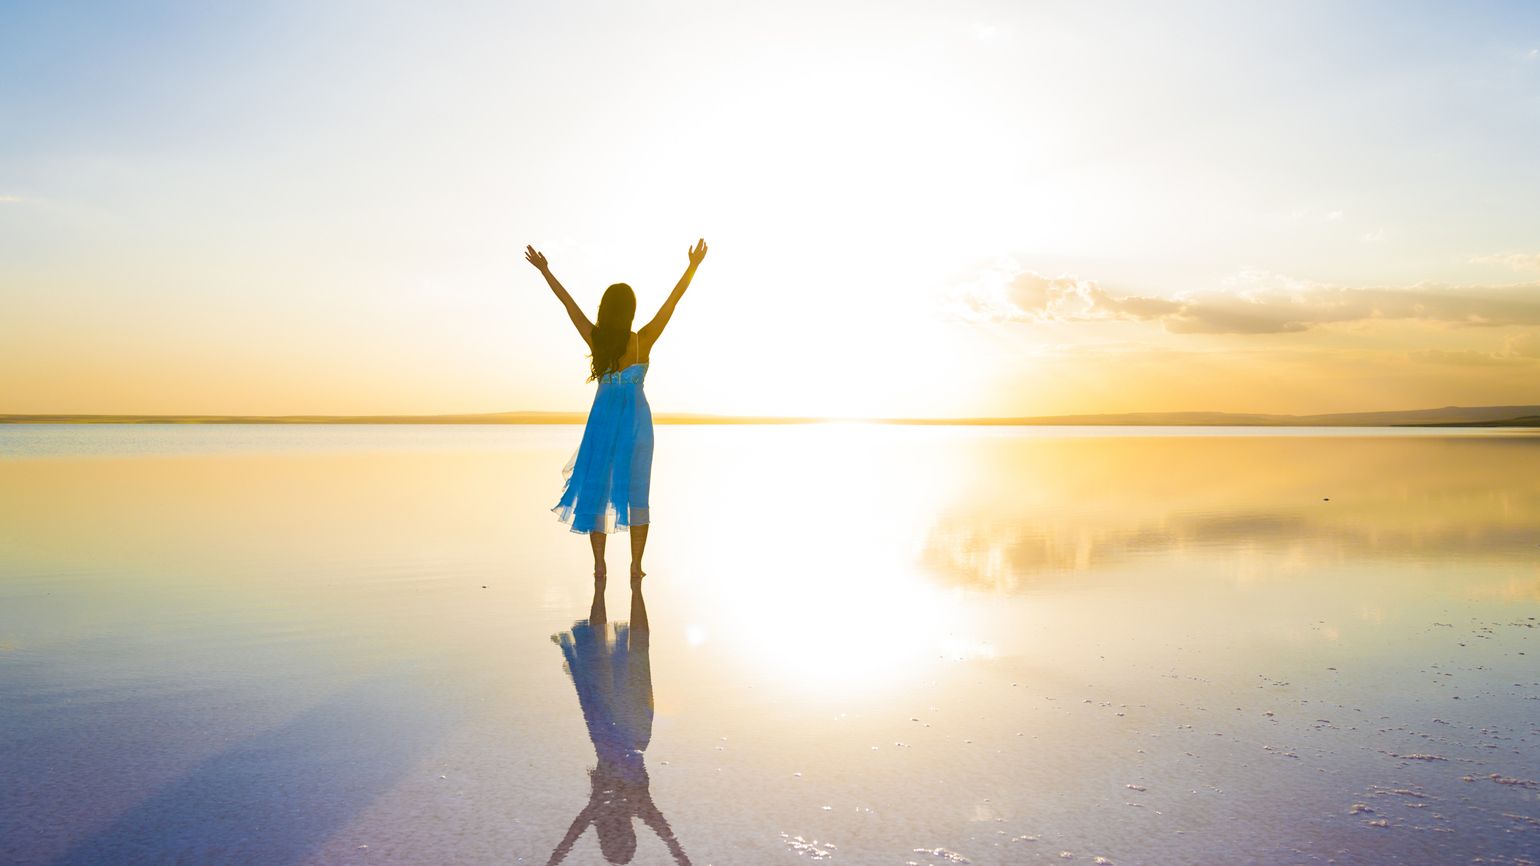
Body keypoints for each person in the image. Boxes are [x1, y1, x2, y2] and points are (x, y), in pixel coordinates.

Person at [525, 240, 708, 581]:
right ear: (631, 311)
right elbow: (672, 303)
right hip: (637, 424)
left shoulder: (596, 339)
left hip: (603, 423)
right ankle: (636, 566)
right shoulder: (643, 339)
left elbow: (568, 304)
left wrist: (546, 271)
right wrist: (692, 267)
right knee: (639, 491)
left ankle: (599, 565)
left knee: (596, 490)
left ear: (605, 310)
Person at [546, 580, 691, 865]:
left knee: (619, 664)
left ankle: (624, 596)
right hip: (616, 730)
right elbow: (670, 840)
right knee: (614, 666)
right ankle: (627, 594)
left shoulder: (611, 804)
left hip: (625, 731)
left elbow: (669, 840)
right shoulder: (623, 804)